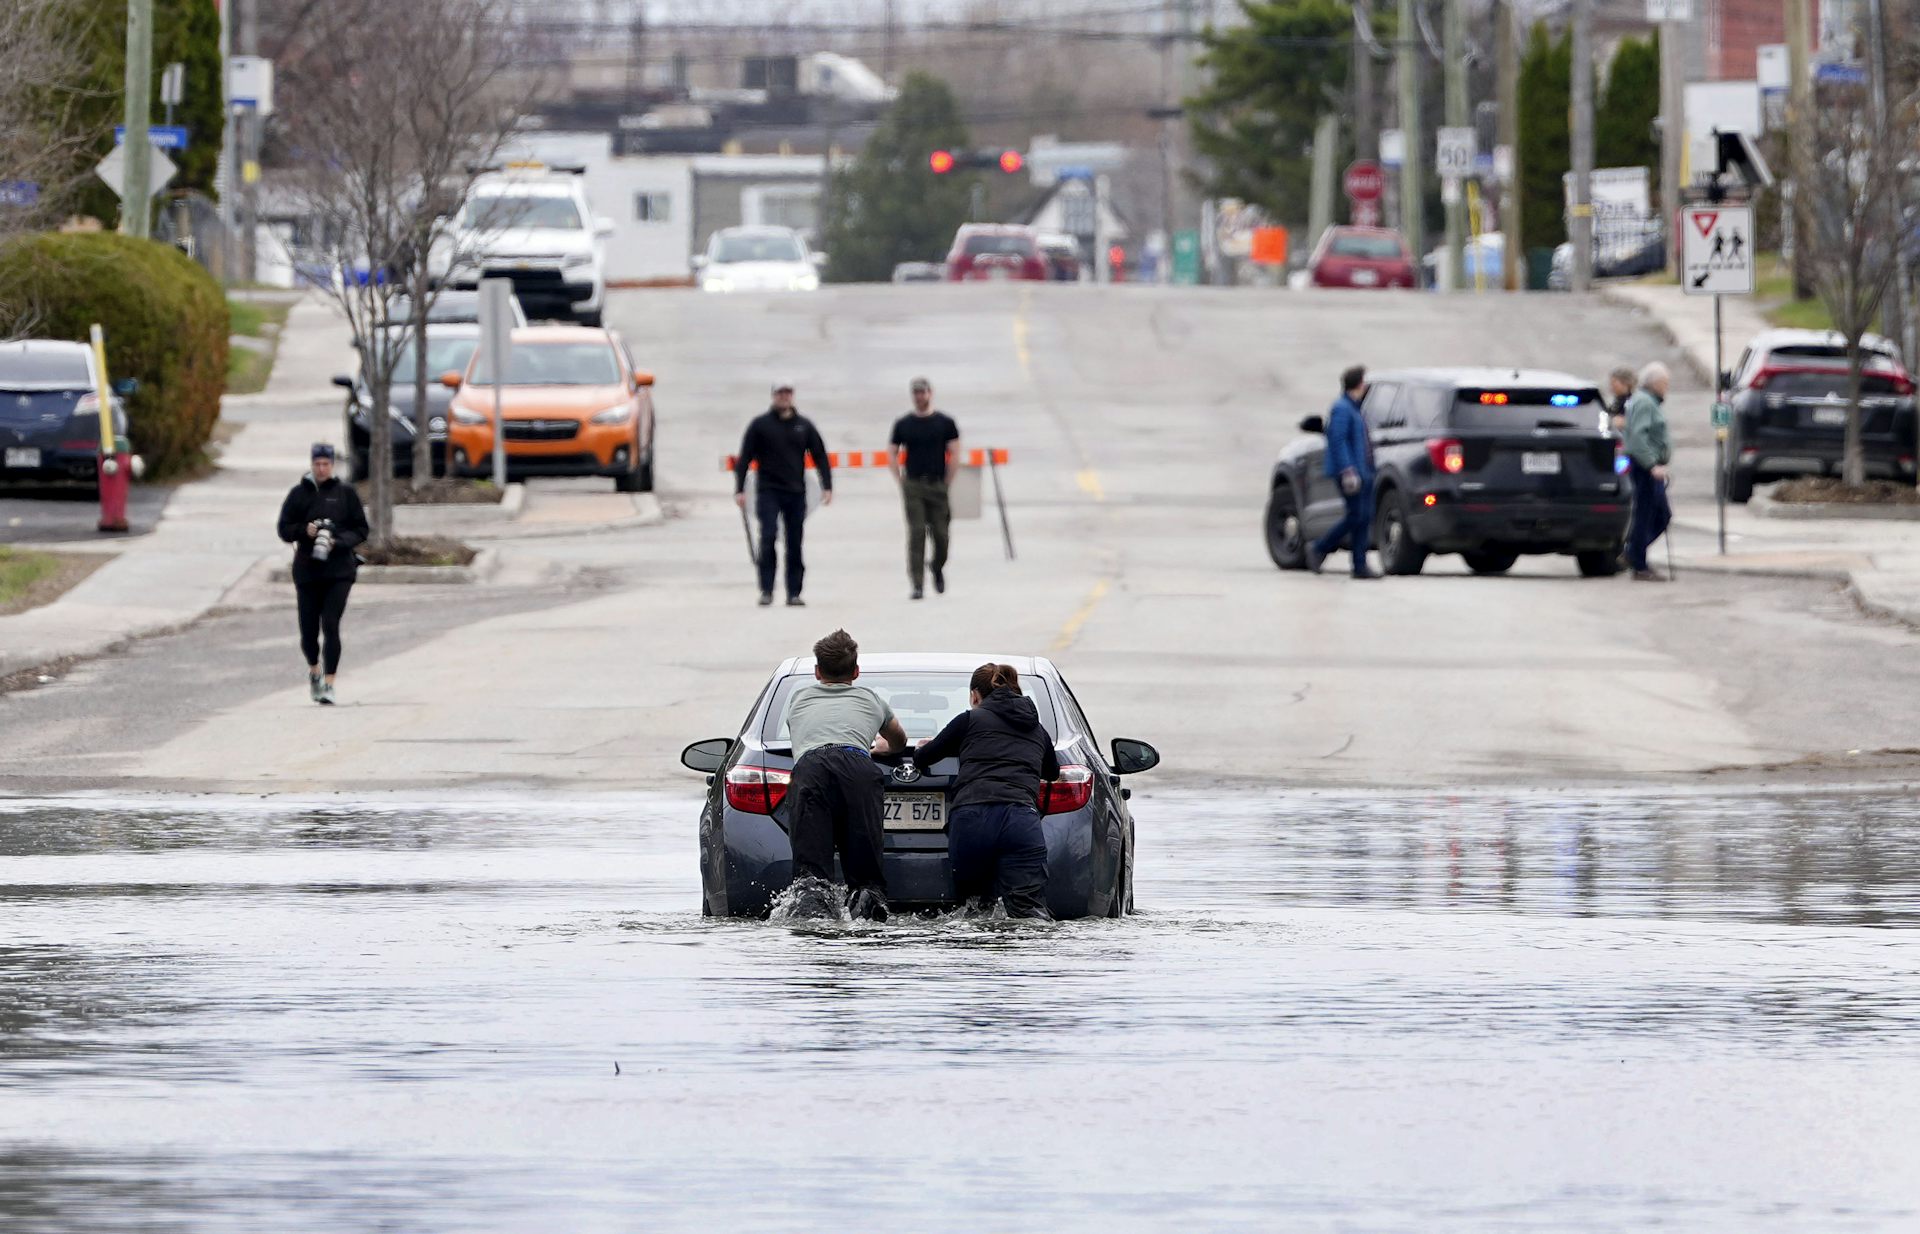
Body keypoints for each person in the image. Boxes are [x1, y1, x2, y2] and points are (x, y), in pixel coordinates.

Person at [911, 663, 1060, 919]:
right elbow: (1053, 773)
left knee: (973, 908)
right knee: (1028, 909)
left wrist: (925, 747)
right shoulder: (1037, 730)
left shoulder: (969, 720)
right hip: (1020, 821)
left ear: (974, 696)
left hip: (972, 819)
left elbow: (924, 758)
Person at [778, 629, 908, 921]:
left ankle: (814, 928)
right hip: (858, 769)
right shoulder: (872, 700)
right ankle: (868, 922)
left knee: (811, 876)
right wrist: (884, 747)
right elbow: (899, 739)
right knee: (865, 875)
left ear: (816, 672)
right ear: (857, 672)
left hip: (811, 769)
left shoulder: (799, 699)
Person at [275, 443, 368, 705]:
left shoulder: (345, 493)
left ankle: (329, 683)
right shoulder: (299, 494)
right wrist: (305, 531)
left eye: (326, 464)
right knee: (307, 632)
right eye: (317, 464)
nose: (321, 468)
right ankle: (314, 669)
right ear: (311, 464)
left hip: (339, 570)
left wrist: (336, 541)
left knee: (330, 624)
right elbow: (283, 529)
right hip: (307, 570)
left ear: (333, 465)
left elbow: (361, 529)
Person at [734, 381, 832, 607]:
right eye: (780, 393)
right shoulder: (760, 426)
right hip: (768, 491)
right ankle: (766, 589)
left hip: (796, 492)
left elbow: (820, 456)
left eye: (787, 393)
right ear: (773, 396)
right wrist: (739, 489)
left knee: (794, 543)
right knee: (767, 538)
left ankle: (794, 593)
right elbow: (745, 458)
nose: (784, 397)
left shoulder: (804, 426)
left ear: (793, 396)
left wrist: (827, 485)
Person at [888, 376, 961, 600]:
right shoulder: (904, 424)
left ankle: (937, 566)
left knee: (941, 534)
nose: (920, 397)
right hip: (914, 484)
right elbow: (892, 451)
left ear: (930, 393)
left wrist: (948, 479)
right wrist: (900, 479)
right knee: (917, 533)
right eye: (916, 393)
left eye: (923, 392)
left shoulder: (944, 423)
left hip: (938, 484)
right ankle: (917, 584)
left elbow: (955, 451)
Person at [1306, 365, 1378, 579]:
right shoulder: (1342, 408)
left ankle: (1360, 565)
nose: (1365, 386)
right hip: (1350, 473)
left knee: (1363, 517)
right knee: (1356, 516)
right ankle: (1319, 547)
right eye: (1363, 382)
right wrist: (1348, 471)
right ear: (1358, 384)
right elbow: (1337, 441)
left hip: (1362, 472)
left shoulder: (1354, 408)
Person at [1623, 361, 1674, 582]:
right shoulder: (1644, 403)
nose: (1666, 388)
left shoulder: (1647, 401)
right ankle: (1637, 559)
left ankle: (1634, 554)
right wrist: (1652, 464)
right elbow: (1636, 438)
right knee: (1652, 514)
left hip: (1649, 467)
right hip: (1646, 468)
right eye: (1665, 383)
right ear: (1655, 383)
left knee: (1658, 514)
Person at [1607, 366, 1637, 435]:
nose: (1611, 385)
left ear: (1626, 383)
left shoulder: (1632, 402)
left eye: (1614, 382)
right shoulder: (1617, 401)